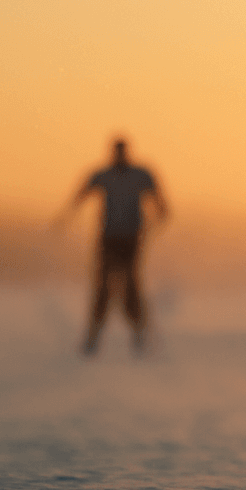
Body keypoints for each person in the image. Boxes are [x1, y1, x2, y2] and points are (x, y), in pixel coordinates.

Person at [59, 138, 169, 355]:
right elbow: (80, 196)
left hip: (130, 241)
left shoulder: (140, 175)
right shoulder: (104, 175)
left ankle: (138, 332)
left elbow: (161, 205)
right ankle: (94, 335)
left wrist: (155, 222)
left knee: (130, 285)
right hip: (109, 239)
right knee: (103, 287)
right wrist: (65, 218)